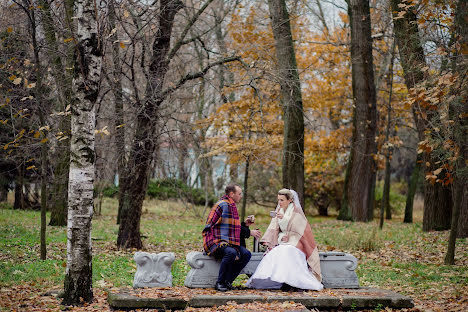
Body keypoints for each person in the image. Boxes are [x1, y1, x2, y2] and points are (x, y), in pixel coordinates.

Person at [246, 188, 323, 291]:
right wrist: (268, 239)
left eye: (282, 200)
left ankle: (294, 282)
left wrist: (285, 220)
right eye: (278, 200)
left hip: (297, 240)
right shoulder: (279, 211)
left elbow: (302, 229)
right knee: (277, 251)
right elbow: (273, 228)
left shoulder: (296, 211)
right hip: (283, 240)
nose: (279, 202)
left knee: (288, 251)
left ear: (290, 200)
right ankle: (284, 280)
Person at [202, 184, 253, 292]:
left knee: (246, 254)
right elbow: (209, 226)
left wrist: (245, 225)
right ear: (231, 194)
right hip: (215, 240)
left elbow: (233, 228)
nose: (241, 196)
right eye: (239, 194)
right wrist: (249, 232)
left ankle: (227, 281)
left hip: (229, 241)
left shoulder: (231, 206)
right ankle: (220, 283)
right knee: (231, 253)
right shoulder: (222, 205)